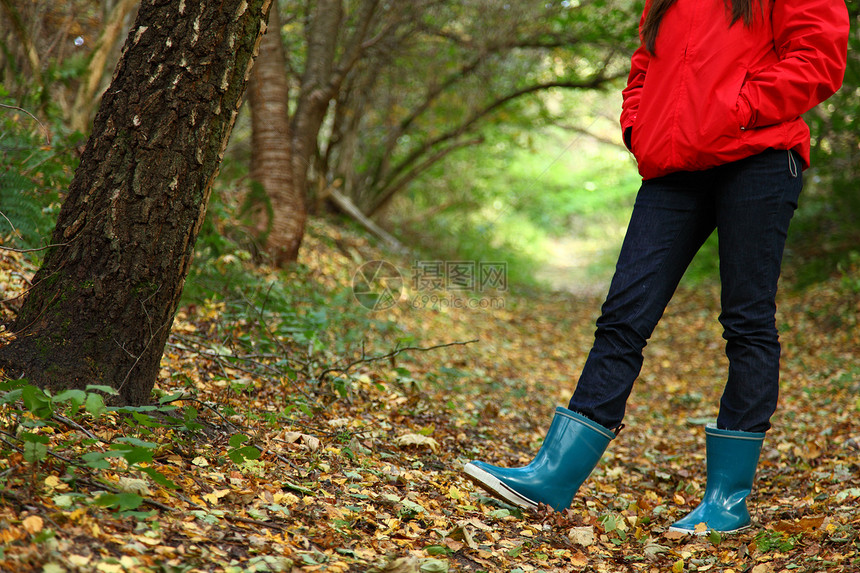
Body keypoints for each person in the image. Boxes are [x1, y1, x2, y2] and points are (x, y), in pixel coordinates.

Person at [464, 0, 849, 534]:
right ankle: (552, 475)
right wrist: (638, 126)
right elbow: (645, 64)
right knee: (623, 315)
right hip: (673, 167)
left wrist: (735, 108)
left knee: (747, 322)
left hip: (759, 157)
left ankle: (726, 502)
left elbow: (819, 59)